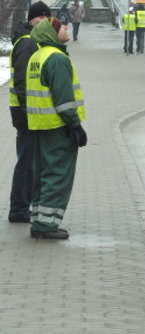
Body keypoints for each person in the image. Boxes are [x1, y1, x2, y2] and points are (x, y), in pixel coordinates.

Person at [27, 16, 87, 240]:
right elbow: (64, 98)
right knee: (58, 174)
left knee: (43, 173)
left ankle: (39, 219)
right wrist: (76, 126)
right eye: (61, 27)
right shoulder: (57, 59)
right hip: (58, 126)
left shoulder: (37, 56)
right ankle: (47, 225)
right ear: (51, 34)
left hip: (40, 125)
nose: (66, 28)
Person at [7, 0, 51, 223]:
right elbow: (24, 82)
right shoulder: (27, 44)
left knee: (29, 161)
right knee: (27, 162)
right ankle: (19, 209)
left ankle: (24, 206)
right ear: (34, 19)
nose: (45, 22)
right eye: (42, 18)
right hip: (26, 113)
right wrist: (29, 111)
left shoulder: (31, 41)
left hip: (27, 112)